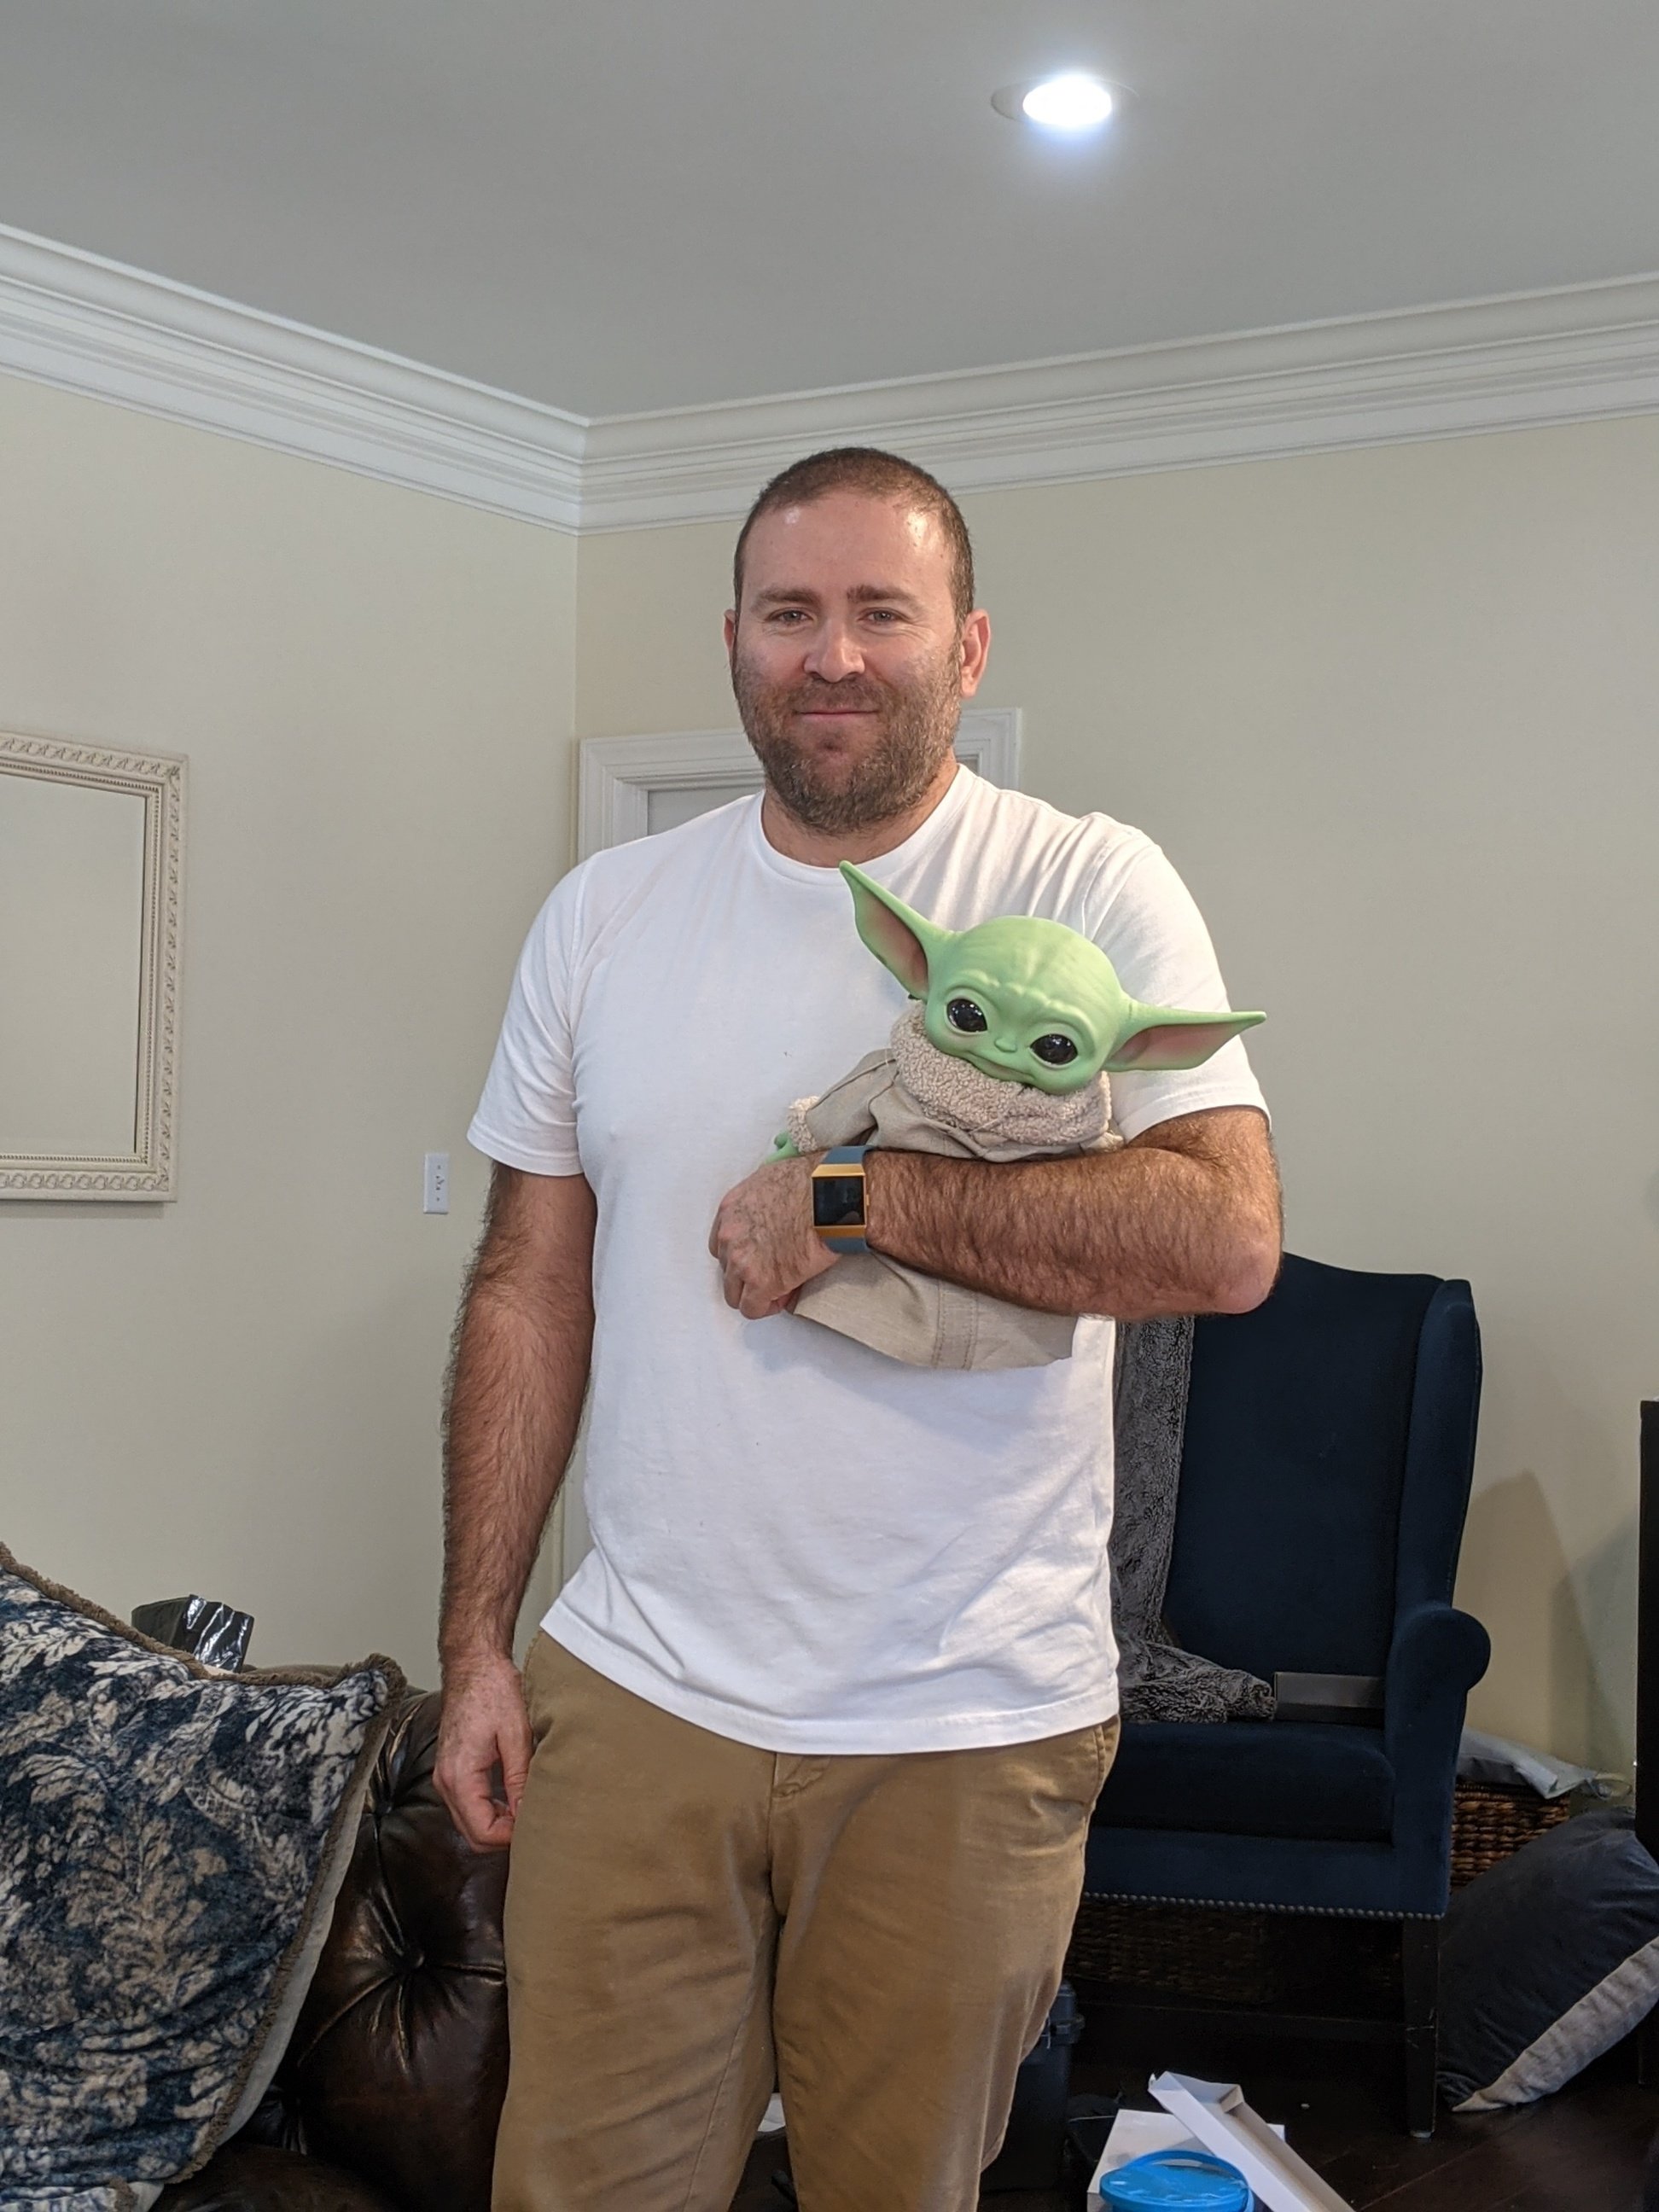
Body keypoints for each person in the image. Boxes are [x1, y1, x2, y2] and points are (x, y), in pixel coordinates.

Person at [437, 446, 1281, 2212]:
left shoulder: (1087, 882)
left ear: (967, 648)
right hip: (639, 1691)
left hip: (960, 1721)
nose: (832, 656)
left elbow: (1222, 1238)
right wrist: (480, 1645)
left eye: (880, 613)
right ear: (735, 641)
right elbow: (528, 1281)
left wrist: (855, 1200)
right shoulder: (604, 915)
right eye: (790, 613)